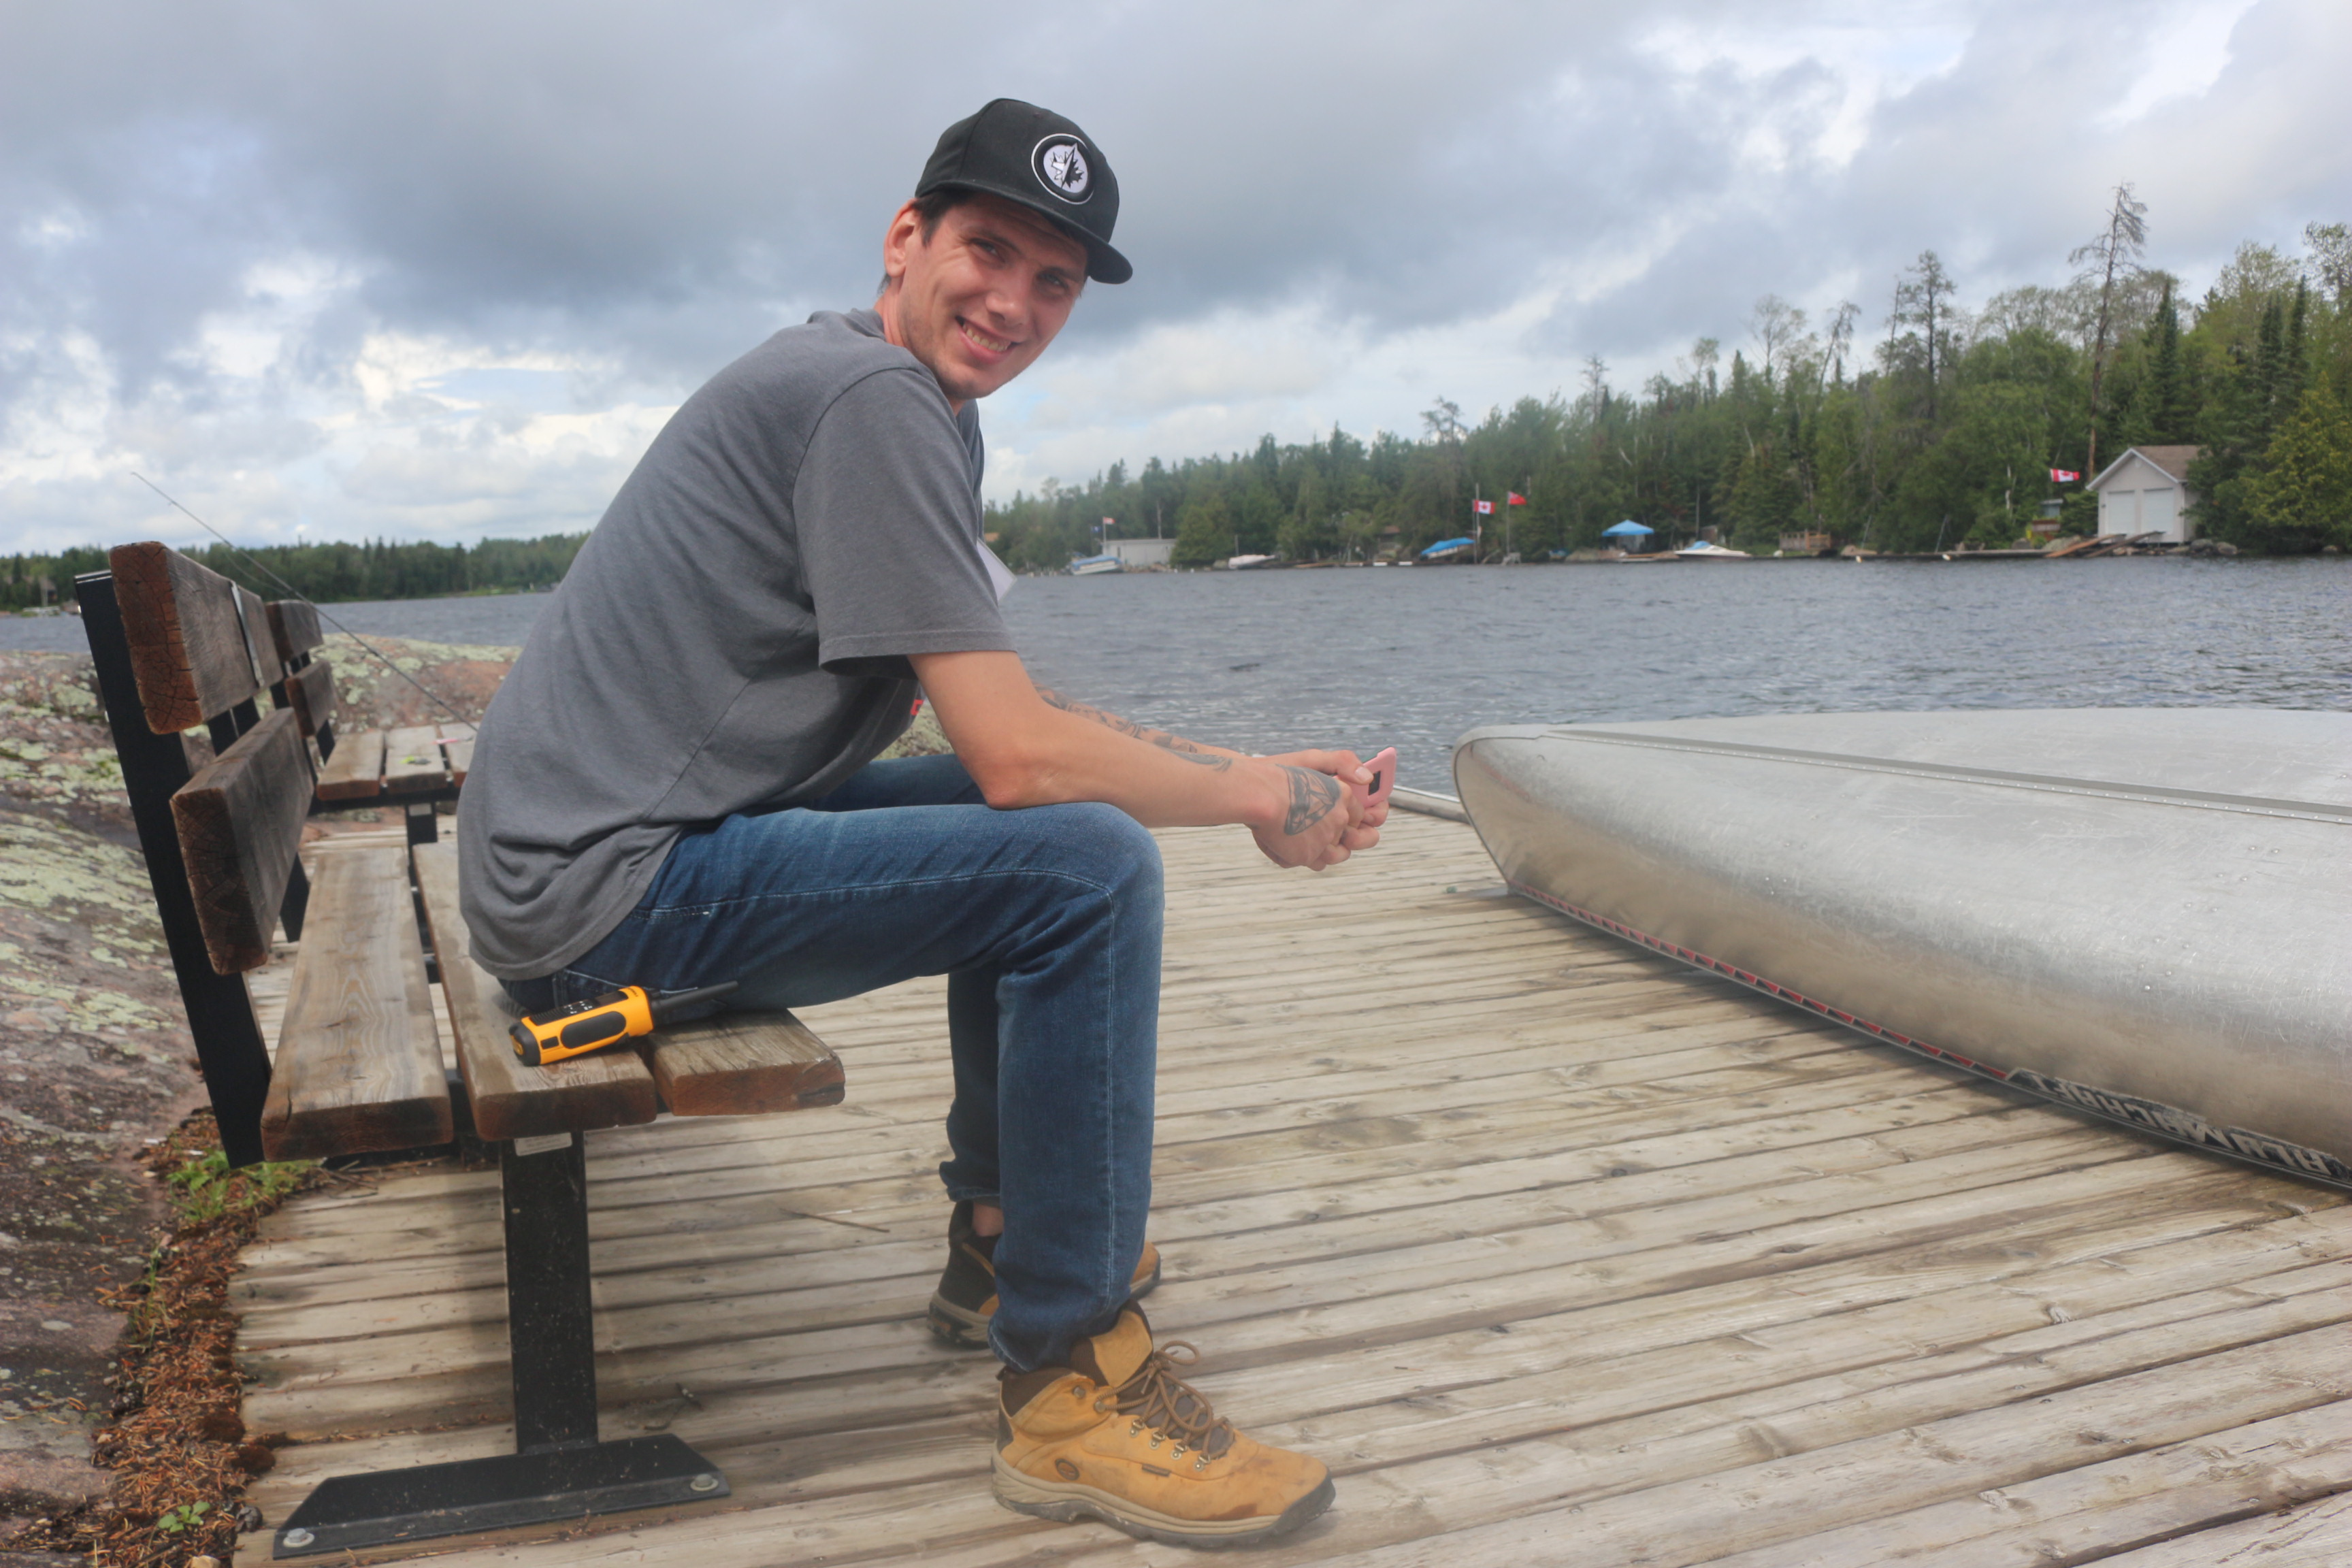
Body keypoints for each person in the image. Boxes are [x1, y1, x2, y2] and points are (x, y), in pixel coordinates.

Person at [459, 99, 1384, 1547]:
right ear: (907, 237)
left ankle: (1004, 1239)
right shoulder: (871, 402)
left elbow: (1009, 720)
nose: (1014, 302)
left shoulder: (914, 409)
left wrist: (1248, 760)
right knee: (1083, 869)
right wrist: (1264, 799)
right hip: (601, 904)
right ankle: (1069, 1385)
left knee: (1047, 836)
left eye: (1054, 282)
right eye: (988, 251)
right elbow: (1021, 762)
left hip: (604, 860)